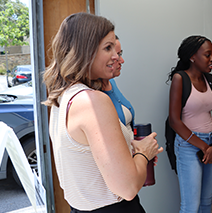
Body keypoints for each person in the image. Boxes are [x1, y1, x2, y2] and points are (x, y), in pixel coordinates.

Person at [42, 12, 163, 213]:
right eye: (108, 48)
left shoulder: (63, 96)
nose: (116, 56)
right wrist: (144, 153)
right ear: (85, 50)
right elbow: (128, 187)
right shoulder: (93, 101)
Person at [168, 35, 212, 213]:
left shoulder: (210, 80)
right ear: (193, 56)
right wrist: (204, 147)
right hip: (188, 146)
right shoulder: (180, 79)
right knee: (191, 207)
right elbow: (174, 121)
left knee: (206, 201)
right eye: (208, 55)